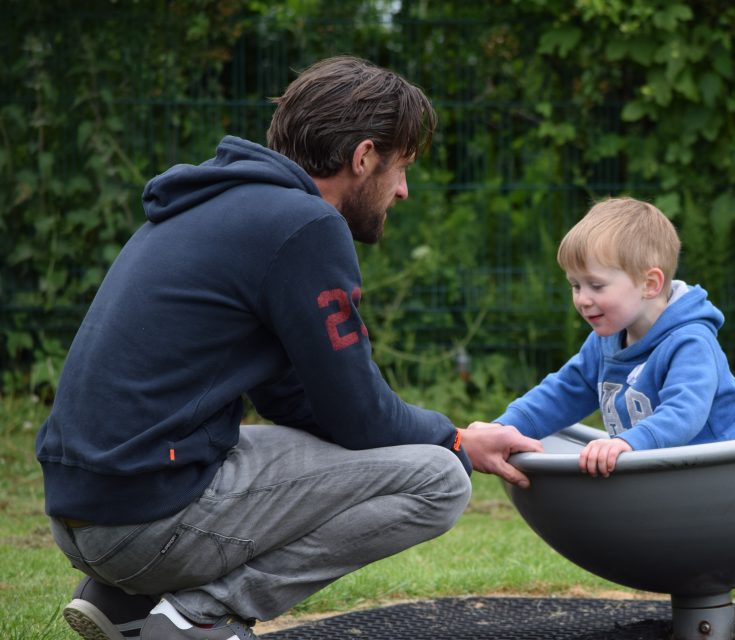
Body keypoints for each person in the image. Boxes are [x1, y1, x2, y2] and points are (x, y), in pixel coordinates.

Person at [36, 55, 542, 640]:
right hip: (143, 524)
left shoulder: (214, 202)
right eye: (401, 167)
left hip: (82, 511)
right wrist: (455, 439)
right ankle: (199, 617)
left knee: (378, 450)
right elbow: (359, 414)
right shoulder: (304, 224)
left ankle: (123, 602)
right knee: (439, 479)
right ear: (363, 157)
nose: (402, 190)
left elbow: (294, 399)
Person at [470, 197, 735, 477]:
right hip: (662, 477)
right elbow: (564, 390)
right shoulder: (605, 340)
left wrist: (629, 442)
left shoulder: (689, 342)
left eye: (596, 285)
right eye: (575, 285)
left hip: (719, 475)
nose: (582, 299)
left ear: (649, 284)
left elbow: (685, 411)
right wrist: (505, 428)